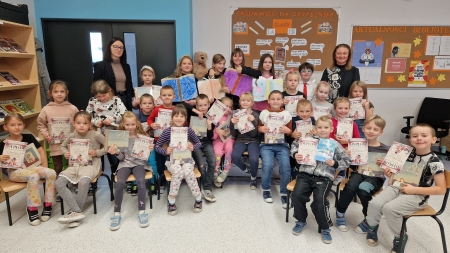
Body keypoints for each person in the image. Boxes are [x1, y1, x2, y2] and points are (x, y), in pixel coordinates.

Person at [359, 124, 446, 253]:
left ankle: (400, 237)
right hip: (397, 187)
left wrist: (414, 190)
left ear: (434, 140)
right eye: (415, 136)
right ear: (410, 140)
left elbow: (441, 189)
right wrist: (389, 172)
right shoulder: (406, 154)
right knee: (374, 203)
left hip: (417, 195)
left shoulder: (435, 162)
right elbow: (396, 173)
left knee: (390, 209)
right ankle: (372, 227)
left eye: (424, 135)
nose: (419, 138)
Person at [291, 115, 351, 244]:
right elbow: (295, 146)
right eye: (319, 127)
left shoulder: (335, 145)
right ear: (315, 128)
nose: (322, 130)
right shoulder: (308, 140)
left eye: (326, 127)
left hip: (324, 177)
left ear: (331, 129)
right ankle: (301, 220)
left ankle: (325, 227)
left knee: (319, 201)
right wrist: (296, 154)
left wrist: (335, 164)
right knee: (296, 195)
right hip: (305, 173)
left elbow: (347, 161)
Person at [335, 115, 390, 232]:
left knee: (363, 190)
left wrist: (384, 165)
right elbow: (347, 164)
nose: (371, 131)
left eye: (375, 129)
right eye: (368, 128)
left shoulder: (386, 149)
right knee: (350, 187)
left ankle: (369, 219)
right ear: (363, 128)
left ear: (381, 132)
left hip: (375, 177)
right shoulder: (355, 144)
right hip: (358, 173)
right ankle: (340, 213)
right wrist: (346, 155)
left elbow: (391, 171)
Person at [0, 113, 56, 226]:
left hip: (33, 167)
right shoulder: (3, 144)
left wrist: (44, 167)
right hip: (15, 172)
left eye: (19, 124)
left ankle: (48, 204)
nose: (17, 127)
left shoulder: (28, 138)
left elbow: (41, 152)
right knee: (33, 176)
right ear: (5, 127)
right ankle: (32, 208)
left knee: (51, 172)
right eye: (12, 125)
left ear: (23, 125)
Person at [55, 111, 106, 228]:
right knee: (59, 182)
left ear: (90, 124)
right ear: (74, 124)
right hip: (74, 165)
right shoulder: (72, 135)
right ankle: (77, 211)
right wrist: (65, 153)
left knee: (83, 182)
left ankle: (74, 213)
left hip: (91, 165)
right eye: (78, 123)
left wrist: (97, 152)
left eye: (85, 123)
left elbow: (109, 145)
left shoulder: (96, 134)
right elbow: (62, 146)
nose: (81, 125)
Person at [108, 112, 154, 231]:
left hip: (139, 163)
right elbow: (122, 158)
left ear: (137, 123)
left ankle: (142, 211)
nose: (130, 127)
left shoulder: (142, 136)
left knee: (140, 181)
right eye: (127, 124)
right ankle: (116, 213)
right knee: (120, 182)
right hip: (125, 163)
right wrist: (117, 153)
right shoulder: (121, 137)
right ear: (123, 124)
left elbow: (145, 157)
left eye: (132, 124)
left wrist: (149, 150)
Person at [154, 105, 202, 215]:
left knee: (188, 172)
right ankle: (171, 201)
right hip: (172, 161)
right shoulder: (167, 131)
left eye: (182, 116)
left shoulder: (189, 131)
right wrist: (165, 151)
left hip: (187, 160)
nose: (179, 118)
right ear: (172, 117)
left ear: (185, 118)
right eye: (176, 116)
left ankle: (198, 198)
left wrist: (193, 147)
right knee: (178, 172)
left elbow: (198, 143)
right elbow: (157, 146)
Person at [37, 80, 78, 201]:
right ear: (50, 93)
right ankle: (60, 189)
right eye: (56, 91)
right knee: (57, 167)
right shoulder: (46, 109)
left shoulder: (72, 108)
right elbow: (41, 125)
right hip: (55, 144)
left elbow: (78, 123)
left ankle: (75, 185)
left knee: (73, 165)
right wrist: (46, 134)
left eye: (62, 91)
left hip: (71, 145)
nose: (59, 94)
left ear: (66, 93)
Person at [86, 80, 127, 178]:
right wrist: (96, 122)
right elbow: (88, 116)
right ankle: (95, 175)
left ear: (110, 91)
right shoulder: (92, 101)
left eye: (103, 96)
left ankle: (118, 173)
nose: (101, 98)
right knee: (98, 154)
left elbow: (124, 113)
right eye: (98, 96)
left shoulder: (116, 100)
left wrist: (112, 119)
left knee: (115, 153)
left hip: (115, 132)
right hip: (99, 133)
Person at [258, 90, 292, 206]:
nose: (275, 101)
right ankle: (266, 190)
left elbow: (290, 132)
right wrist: (261, 129)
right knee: (267, 165)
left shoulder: (286, 114)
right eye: (273, 99)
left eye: (278, 99)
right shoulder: (264, 113)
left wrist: (288, 131)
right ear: (268, 101)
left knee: (286, 167)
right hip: (266, 145)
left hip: (282, 145)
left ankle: (284, 193)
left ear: (283, 101)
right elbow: (259, 127)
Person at [188, 94, 217, 202]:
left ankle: (206, 186)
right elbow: (183, 105)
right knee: (201, 165)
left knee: (212, 162)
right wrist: (197, 112)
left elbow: (210, 137)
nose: (203, 107)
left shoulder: (211, 117)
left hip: (206, 142)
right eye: (200, 105)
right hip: (195, 143)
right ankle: (206, 188)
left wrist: (209, 126)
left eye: (205, 105)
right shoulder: (192, 113)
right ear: (196, 106)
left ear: (209, 105)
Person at [148, 86, 176, 194]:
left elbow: (183, 124)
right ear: (160, 97)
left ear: (174, 97)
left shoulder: (175, 109)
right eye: (164, 95)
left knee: (170, 161)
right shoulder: (157, 109)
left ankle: (172, 180)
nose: (167, 97)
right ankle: (163, 182)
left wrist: (175, 125)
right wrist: (152, 124)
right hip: (158, 140)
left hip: (171, 142)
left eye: (169, 95)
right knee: (160, 162)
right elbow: (149, 119)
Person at [230, 92, 260, 189]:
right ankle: (247, 170)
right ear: (239, 102)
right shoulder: (236, 114)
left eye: (248, 100)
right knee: (234, 156)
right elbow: (234, 134)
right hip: (240, 139)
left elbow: (254, 134)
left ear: (252, 103)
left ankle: (253, 178)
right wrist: (232, 123)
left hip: (253, 140)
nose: (245, 102)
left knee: (254, 159)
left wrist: (253, 121)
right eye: (243, 100)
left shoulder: (255, 114)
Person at [93, 37, 133, 110]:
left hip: (125, 100)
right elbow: (96, 88)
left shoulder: (126, 66)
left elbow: (129, 86)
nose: (119, 49)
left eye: (121, 47)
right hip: (107, 101)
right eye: (116, 47)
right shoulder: (100, 66)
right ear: (109, 48)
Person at [330, 97, 361, 185]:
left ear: (349, 109)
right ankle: (331, 175)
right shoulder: (330, 122)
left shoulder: (352, 123)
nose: (343, 111)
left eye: (346, 108)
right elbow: (327, 137)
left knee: (346, 152)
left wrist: (347, 142)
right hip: (333, 149)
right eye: (340, 108)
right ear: (335, 109)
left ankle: (341, 173)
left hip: (346, 150)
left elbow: (357, 140)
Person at [289, 99, 316, 178]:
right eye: (301, 111)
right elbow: (289, 134)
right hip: (296, 147)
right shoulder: (293, 120)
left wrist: (314, 133)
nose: (304, 114)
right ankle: (293, 176)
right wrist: (292, 135)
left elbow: (317, 135)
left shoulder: (313, 121)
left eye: (307, 111)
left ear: (311, 111)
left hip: (309, 147)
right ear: (297, 111)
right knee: (294, 164)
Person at [212, 97, 234, 187]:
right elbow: (212, 134)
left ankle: (225, 170)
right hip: (218, 139)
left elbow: (236, 131)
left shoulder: (232, 117)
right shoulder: (216, 117)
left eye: (229, 107)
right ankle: (215, 172)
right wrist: (216, 132)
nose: (227, 108)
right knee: (217, 152)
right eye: (225, 106)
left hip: (229, 139)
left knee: (229, 148)